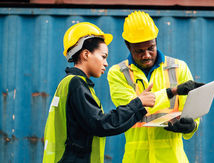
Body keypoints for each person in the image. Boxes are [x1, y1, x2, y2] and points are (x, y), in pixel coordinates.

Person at [42, 22, 156, 163]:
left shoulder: (71, 83)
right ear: (85, 54)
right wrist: (137, 103)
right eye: (103, 56)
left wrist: (139, 110)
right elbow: (101, 124)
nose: (106, 63)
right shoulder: (76, 84)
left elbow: (104, 126)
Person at [107, 11, 204, 163]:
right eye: (139, 51)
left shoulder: (179, 67)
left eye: (151, 48)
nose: (146, 55)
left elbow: (192, 111)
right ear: (128, 45)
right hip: (137, 159)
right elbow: (133, 107)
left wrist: (191, 126)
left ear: (156, 41)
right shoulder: (118, 74)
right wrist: (172, 92)